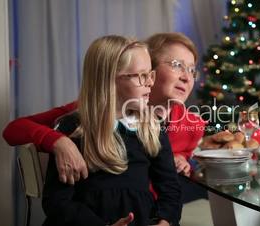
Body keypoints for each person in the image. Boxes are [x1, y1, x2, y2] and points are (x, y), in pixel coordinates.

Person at [2, 32, 205, 184]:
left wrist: (183, 159)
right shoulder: (96, 111)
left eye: (191, 70)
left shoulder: (193, 125)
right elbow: (13, 129)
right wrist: (59, 141)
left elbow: (186, 163)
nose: (187, 77)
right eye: (177, 65)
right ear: (147, 68)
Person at [42, 35, 181, 226]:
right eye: (141, 75)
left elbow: (170, 188)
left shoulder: (152, 127)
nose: (150, 82)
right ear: (108, 79)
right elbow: (57, 202)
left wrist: (164, 221)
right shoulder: (73, 128)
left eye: (151, 74)